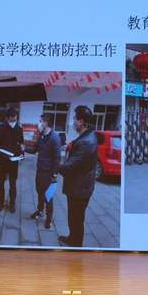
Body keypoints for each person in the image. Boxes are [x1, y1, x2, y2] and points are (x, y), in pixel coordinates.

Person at [58, 105, 98, 248]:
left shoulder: (86, 142)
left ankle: (76, 244)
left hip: (79, 188)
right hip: (80, 185)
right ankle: (72, 238)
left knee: (76, 218)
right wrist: (70, 146)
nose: (73, 121)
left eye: (75, 118)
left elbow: (69, 167)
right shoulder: (87, 136)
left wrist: (53, 163)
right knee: (74, 216)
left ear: (81, 122)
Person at [26, 114, 61, 229]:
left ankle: (49, 218)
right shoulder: (41, 136)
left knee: (48, 196)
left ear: (46, 123)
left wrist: (54, 174)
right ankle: (40, 211)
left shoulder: (54, 138)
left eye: (40, 121)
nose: (39, 124)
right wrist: (24, 148)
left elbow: (57, 158)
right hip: (40, 170)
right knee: (40, 192)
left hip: (49, 173)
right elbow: (34, 149)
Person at [0, 107, 25, 213]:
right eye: (11, 120)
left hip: (13, 161)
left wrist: (22, 152)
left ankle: (12, 203)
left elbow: (21, 143)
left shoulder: (19, 129)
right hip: (2, 160)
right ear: (7, 118)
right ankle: (0, 203)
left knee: (13, 183)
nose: (13, 122)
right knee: (0, 183)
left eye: (15, 120)